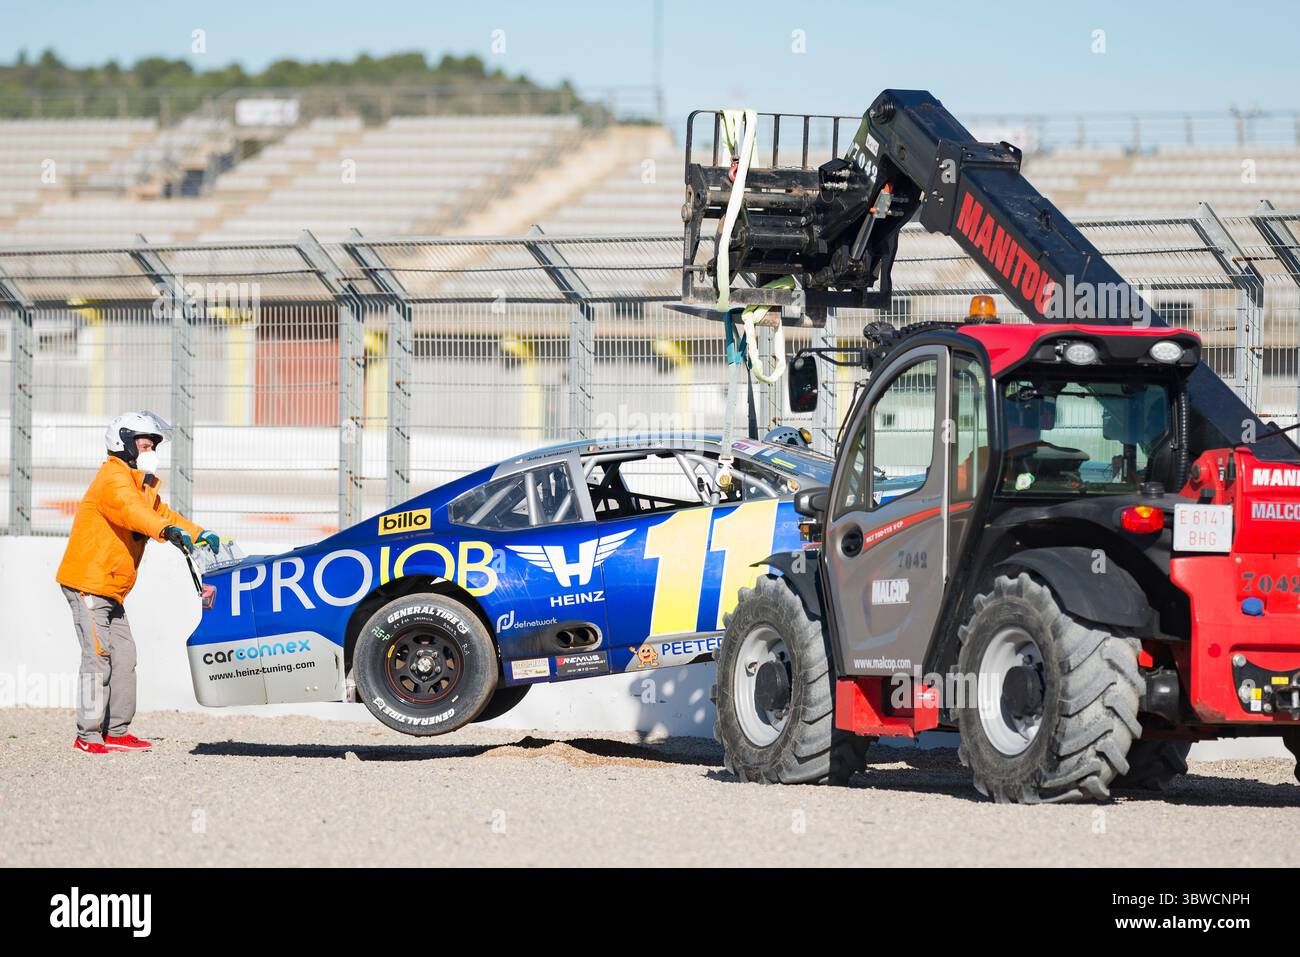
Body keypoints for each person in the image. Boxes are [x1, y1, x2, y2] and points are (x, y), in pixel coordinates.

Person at [55, 411, 220, 754]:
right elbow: (134, 513)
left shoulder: (139, 483)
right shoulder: (113, 480)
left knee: (124, 656)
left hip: (111, 588)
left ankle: (116, 731)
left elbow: (163, 515)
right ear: (124, 442)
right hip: (88, 584)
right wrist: (163, 531)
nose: (151, 450)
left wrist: (197, 533)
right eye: (146, 443)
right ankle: (87, 735)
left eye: (154, 444)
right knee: (97, 657)